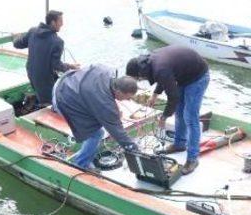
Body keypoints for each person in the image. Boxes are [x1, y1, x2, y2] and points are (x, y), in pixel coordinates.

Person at [126, 46, 209, 174]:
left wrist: (164, 117)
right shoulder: (150, 62)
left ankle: (193, 159)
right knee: (179, 113)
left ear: (140, 73)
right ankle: (180, 144)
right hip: (183, 76)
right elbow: (164, 77)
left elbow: (172, 96)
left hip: (197, 77)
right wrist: (155, 94)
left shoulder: (160, 67)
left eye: (138, 78)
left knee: (190, 118)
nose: (140, 80)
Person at [52, 64, 138, 169]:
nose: (128, 100)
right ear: (119, 91)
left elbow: (105, 96)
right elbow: (117, 131)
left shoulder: (107, 70)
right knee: (97, 133)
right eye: (127, 97)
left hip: (66, 80)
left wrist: (114, 110)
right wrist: (133, 148)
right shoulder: (105, 105)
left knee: (98, 119)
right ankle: (80, 164)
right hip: (62, 98)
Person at [13, 10, 79, 105]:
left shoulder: (33, 31)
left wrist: (16, 37)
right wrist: (71, 67)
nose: (62, 24)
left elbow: (17, 44)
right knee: (51, 104)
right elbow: (56, 65)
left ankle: (38, 101)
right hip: (45, 80)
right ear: (53, 22)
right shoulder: (57, 42)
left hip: (31, 74)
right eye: (60, 21)